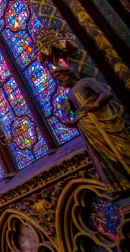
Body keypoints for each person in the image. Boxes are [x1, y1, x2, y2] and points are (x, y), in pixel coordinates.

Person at [53, 66, 130, 196]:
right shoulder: (69, 94)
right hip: (87, 127)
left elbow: (106, 93)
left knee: (119, 146)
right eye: (57, 79)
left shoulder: (85, 82)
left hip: (102, 120)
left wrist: (94, 105)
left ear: (67, 73)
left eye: (59, 76)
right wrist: (70, 121)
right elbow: (73, 112)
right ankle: (121, 183)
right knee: (102, 154)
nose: (59, 81)